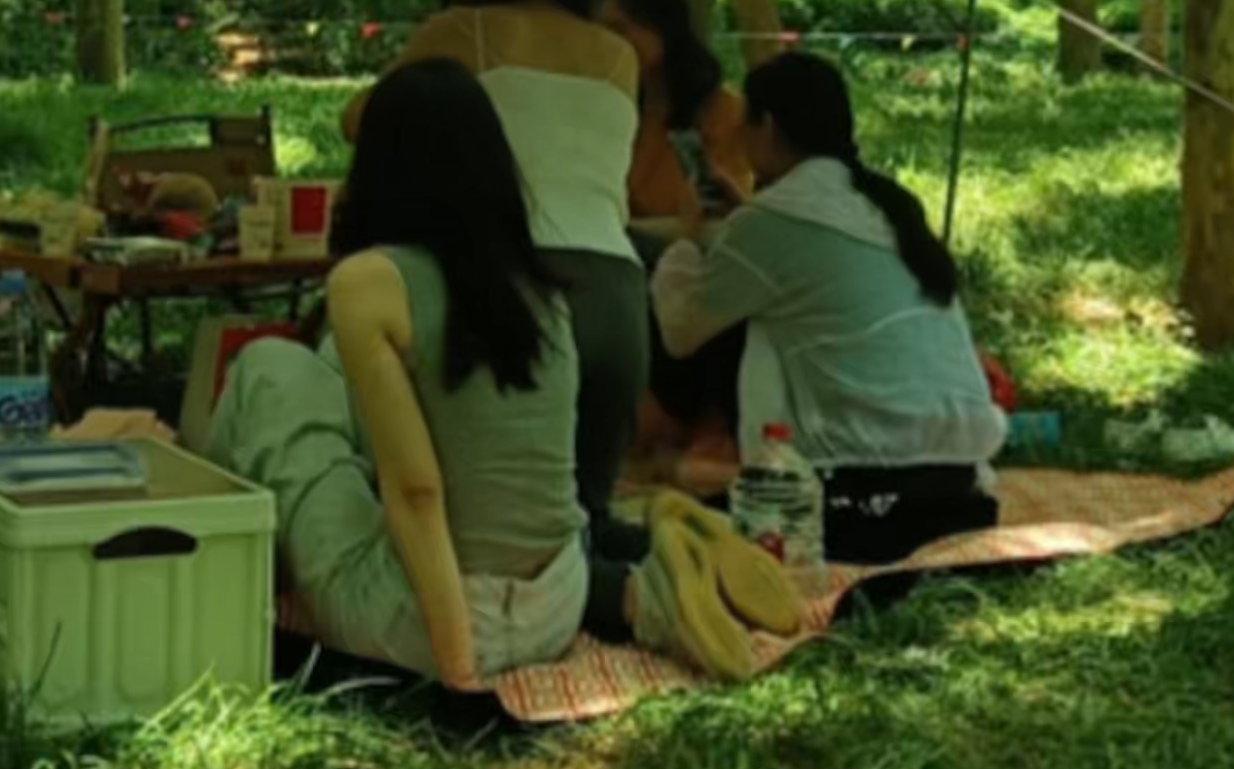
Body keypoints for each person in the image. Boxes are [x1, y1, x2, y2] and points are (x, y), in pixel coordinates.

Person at [201, 61, 795, 685]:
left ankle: (212, 568)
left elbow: (417, 491)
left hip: (441, 618)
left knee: (268, 368)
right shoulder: (541, 290)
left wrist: (459, 665)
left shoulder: (368, 283)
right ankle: (644, 598)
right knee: (325, 370)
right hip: (559, 604)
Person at [342, 0, 648, 560]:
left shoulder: (463, 30)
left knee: (489, 525)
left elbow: (362, 120)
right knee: (586, 516)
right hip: (619, 290)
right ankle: (626, 600)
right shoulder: (620, 55)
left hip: (512, 284)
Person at [650, 52, 1007, 565]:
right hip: (962, 486)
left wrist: (687, 235)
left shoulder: (773, 220)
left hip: (861, 493)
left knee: (678, 526)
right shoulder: (883, 202)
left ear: (766, 126)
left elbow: (681, 329)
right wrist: (744, 215)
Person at [598, 0, 755, 224]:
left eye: (619, 29)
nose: (607, 43)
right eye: (600, 33)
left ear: (662, 29)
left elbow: (723, 212)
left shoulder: (724, 113)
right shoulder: (610, 106)